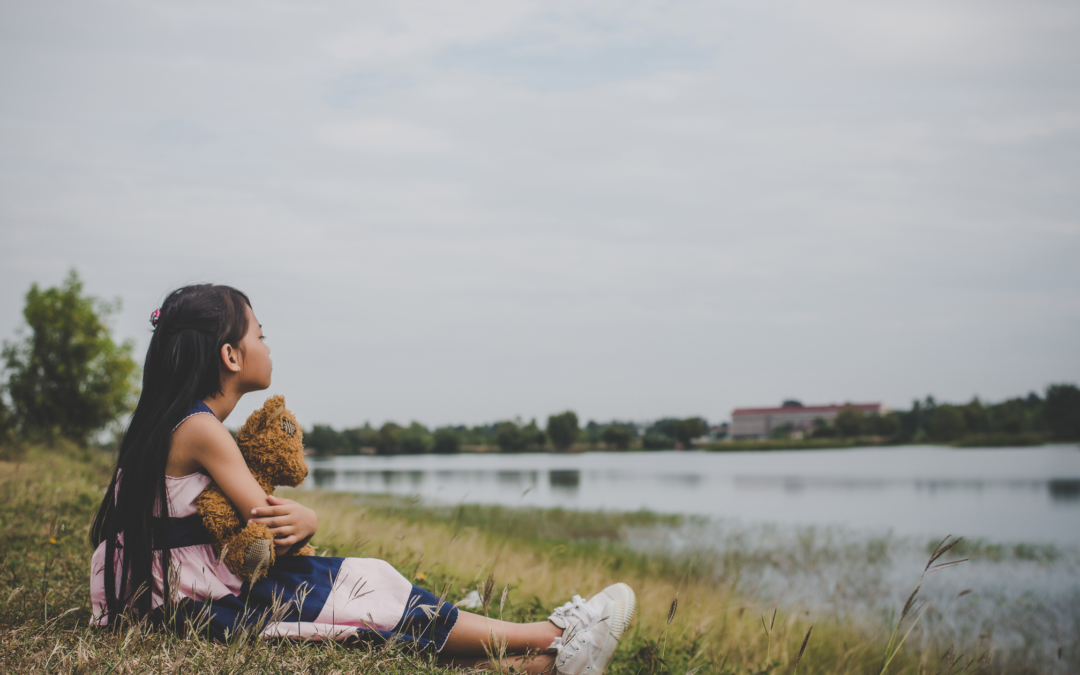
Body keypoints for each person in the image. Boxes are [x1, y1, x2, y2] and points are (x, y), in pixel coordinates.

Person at [89, 283, 635, 674]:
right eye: (260, 332)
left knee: (360, 601)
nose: (269, 344)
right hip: (188, 606)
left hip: (162, 596)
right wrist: (307, 518)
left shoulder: (171, 424)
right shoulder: (202, 430)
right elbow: (269, 530)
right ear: (231, 356)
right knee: (366, 585)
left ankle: (543, 661)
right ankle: (555, 637)